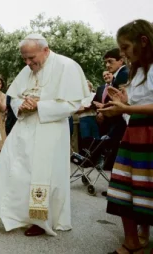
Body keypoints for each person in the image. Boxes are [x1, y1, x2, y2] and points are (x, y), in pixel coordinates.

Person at [0, 34, 89, 237]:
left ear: (45, 50)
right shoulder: (27, 69)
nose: (28, 63)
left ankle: (39, 219)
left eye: (31, 58)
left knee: (43, 175)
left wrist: (39, 105)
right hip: (24, 128)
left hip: (51, 130)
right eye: (25, 59)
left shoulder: (67, 66)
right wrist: (21, 106)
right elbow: (14, 98)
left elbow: (72, 104)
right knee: (7, 168)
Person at [98, 19, 153, 254]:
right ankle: (131, 240)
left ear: (143, 41)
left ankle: (142, 239)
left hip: (149, 133)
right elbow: (137, 103)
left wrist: (125, 109)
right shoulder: (137, 71)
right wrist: (121, 102)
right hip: (134, 133)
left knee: (147, 187)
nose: (123, 54)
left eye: (125, 48)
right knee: (124, 186)